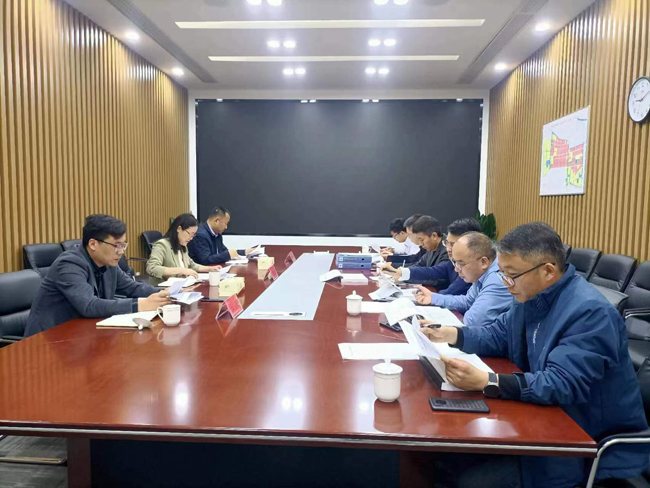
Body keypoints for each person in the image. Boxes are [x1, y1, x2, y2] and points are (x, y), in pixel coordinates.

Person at [420, 222, 649, 488]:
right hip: (541, 420)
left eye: (511, 275)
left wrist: (488, 381)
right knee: (445, 456)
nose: (505, 284)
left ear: (548, 271)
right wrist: (451, 334)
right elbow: (498, 335)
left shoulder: (590, 313)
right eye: (502, 274)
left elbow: (561, 384)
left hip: (583, 444)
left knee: (471, 480)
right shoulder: (530, 295)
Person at [25, 215, 170, 337]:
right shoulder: (69, 264)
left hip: (83, 335)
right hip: (48, 341)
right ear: (93, 244)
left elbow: (132, 287)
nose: (121, 252)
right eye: (116, 246)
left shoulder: (107, 262)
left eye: (123, 245)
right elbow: (89, 305)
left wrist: (166, 293)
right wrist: (140, 305)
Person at [413, 232, 512, 327]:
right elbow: (467, 301)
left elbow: (473, 322)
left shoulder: (497, 280)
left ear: (483, 262)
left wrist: (441, 325)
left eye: (461, 264)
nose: (456, 269)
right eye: (455, 263)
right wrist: (433, 297)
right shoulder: (482, 273)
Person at [394, 218, 481, 296]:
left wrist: (431, 297)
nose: (448, 249)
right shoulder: (451, 262)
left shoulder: (472, 266)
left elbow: (453, 290)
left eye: (453, 244)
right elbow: (432, 271)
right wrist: (402, 272)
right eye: (447, 243)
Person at [146, 213, 223, 284]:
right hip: (163, 290)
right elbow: (151, 268)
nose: (191, 238)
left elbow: (192, 265)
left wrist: (209, 269)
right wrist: (180, 270)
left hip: (181, 287)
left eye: (193, 235)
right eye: (190, 234)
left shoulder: (182, 246)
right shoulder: (162, 245)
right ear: (179, 229)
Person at [381, 216, 449, 288]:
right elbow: (419, 265)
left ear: (434, 236)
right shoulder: (431, 246)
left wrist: (404, 276)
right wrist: (399, 272)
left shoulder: (447, 249)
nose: (420, 244)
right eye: (418, 239)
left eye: (422, 240)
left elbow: (438, 279)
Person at [188, 206, 256, 265]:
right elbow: (205, 260)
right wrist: (227, 255)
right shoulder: (200, 235)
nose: (226, 227)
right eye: (225, 223)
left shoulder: (217, 233)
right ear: (217, 221)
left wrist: (244, 252)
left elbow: (224, 251)